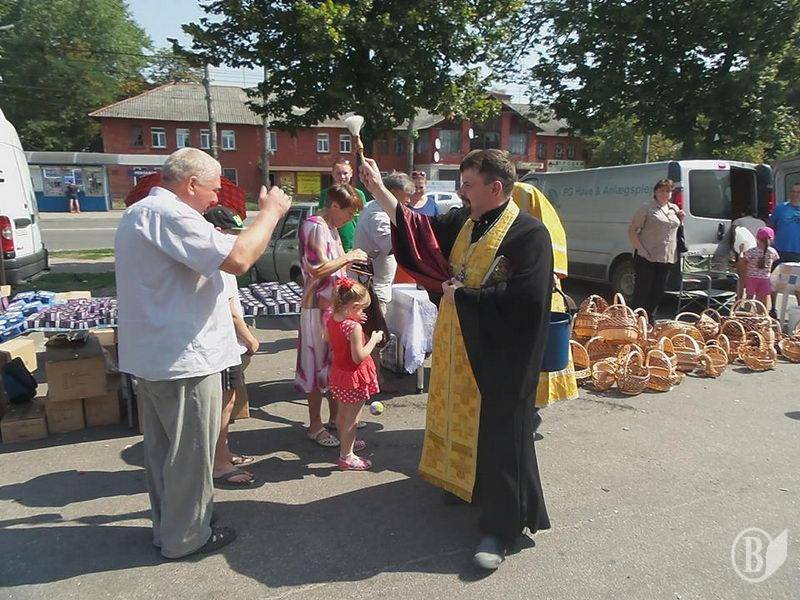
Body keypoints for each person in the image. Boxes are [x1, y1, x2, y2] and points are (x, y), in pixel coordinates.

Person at [360, 149, 553, 571]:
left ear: (495, 187)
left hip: (501, 356)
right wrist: (377, 190)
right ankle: (466, 484)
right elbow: (418, 231)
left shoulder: (528, 234)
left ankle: (502, 528)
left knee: (501, 438)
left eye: (468, 184)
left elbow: (526, 300)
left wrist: (464, 297)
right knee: (459, 419)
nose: (461, 192)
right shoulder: (465, 221)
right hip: (459, 345)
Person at [115, 147, 290, 559]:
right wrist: (270, 213)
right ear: (191, 183)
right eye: (213, 189)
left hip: (161, 357)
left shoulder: (141, 213)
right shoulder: (169, 214)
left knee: (166, 455)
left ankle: (171, 528)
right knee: (190, 456)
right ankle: (187, 536)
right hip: (184, 360)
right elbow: (239, 258)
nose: (215, 199)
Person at [297, 183, 367, 448]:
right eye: (349, 213)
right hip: (316, 308)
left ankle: (337, 422)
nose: (350, 219)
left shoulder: (331, 228)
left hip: (333, 308)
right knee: (316, 366)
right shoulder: (315, 226)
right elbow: (316, 269)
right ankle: (315, 426)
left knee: (335, 365)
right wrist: (348, 257)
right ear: (335, 206)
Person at [203, 206, 261, 489]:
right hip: (224, 345)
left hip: (225, 345)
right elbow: (231, 311)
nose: (236, 238)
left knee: (226, 404)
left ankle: (223, 454)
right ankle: (218, 464)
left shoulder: (216, 259)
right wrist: (249, 338)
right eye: (231, 232)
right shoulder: (221, 262)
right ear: (217, 231)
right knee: (223, 407)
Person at [326, 278, 383, 470]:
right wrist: (374, 339)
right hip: (354, 377)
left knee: (342, 414)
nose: (362, 313)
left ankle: (346, 442)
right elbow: (359, 357)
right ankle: (347, 456)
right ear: (354, 306)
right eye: (361, 309)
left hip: (339, 373)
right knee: (353, 419)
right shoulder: (354, 327)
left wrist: (354, 320)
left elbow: (327, 337)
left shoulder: (332, 317)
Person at [354, 171, 413, 312]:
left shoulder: (374, 207)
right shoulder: (378, 216)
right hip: (372, 292)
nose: (409, 200)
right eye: (407, 194)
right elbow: (393, 247)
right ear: (392, 192)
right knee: (376, 326)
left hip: (373, 287)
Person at [628, 179, 685, 321]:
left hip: (667, 257)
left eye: (668, 191)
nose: (665, 194)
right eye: (662, 190)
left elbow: (675, 229)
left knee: (658, 291)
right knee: (642, 291)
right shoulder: (647, 207)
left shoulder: (674, 209)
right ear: (655, 192)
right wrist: (641, 250)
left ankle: (649, 320)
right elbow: (632, 231)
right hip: (647, 256)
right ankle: (635, 320)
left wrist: (681, 220)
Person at [318, 159, 367, 252]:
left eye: (345, 173)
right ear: (333, 174)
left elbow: (364, 220)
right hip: (332, 244)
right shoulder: (326, 194)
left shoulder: (359, 194)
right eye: (338, 173)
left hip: (354, 245)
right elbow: (321, 218)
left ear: (351, 173)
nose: (342, 177)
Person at [770, 182, 800, 305]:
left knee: (797, 283)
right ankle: (772, 308)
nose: (795, 194)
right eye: (793, 191)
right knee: (774, 280)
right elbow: (771, 225)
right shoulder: (781, 208)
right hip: (780, 250)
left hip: (797, 252)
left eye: (798, 192)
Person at [728, 209, 766, 299]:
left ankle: (738, 300)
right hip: (759, 254)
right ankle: (757, 303)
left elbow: (733, 238)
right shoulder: (762, 223)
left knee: (741, 280)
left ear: (743, 213)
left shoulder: (737, 222)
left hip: (745, 252)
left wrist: (735, 252)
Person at [742, 227, 779, 309]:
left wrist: (741, 251)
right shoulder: (772, 251)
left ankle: (745, 313)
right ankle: (761, 315)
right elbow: (776, 259)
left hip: (752, 278)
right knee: (761, 300)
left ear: (757, 239)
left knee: (749, 298)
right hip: (765, 279)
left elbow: (744, 260)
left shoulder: (751, 251)